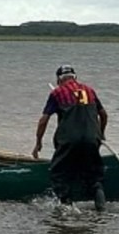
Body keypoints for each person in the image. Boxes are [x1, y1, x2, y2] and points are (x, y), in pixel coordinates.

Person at [32, 65, 108, 210]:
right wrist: (101, 134)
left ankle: (67, 208)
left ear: (58, 80)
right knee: (95, 176)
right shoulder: (89, 91)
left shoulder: (57, 93)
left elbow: (43, 120)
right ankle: (101, 207)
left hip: (68, 141)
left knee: (58, 173)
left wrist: (38, 143)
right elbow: (103, 115)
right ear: (75, 77)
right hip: (92, 139)